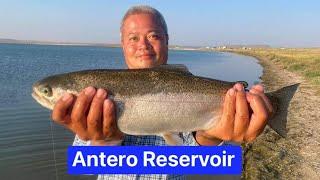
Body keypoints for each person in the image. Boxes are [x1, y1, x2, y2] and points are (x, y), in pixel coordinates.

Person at [52, 5, 273, 180]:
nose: (143, 46)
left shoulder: (188, 88)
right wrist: (104, 141)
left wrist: (209, 136)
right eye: (133, 38)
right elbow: (86, 166)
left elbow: (198, 160)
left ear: (167, 41)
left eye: (153, 36)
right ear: (122, 44)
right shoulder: (97, 96)